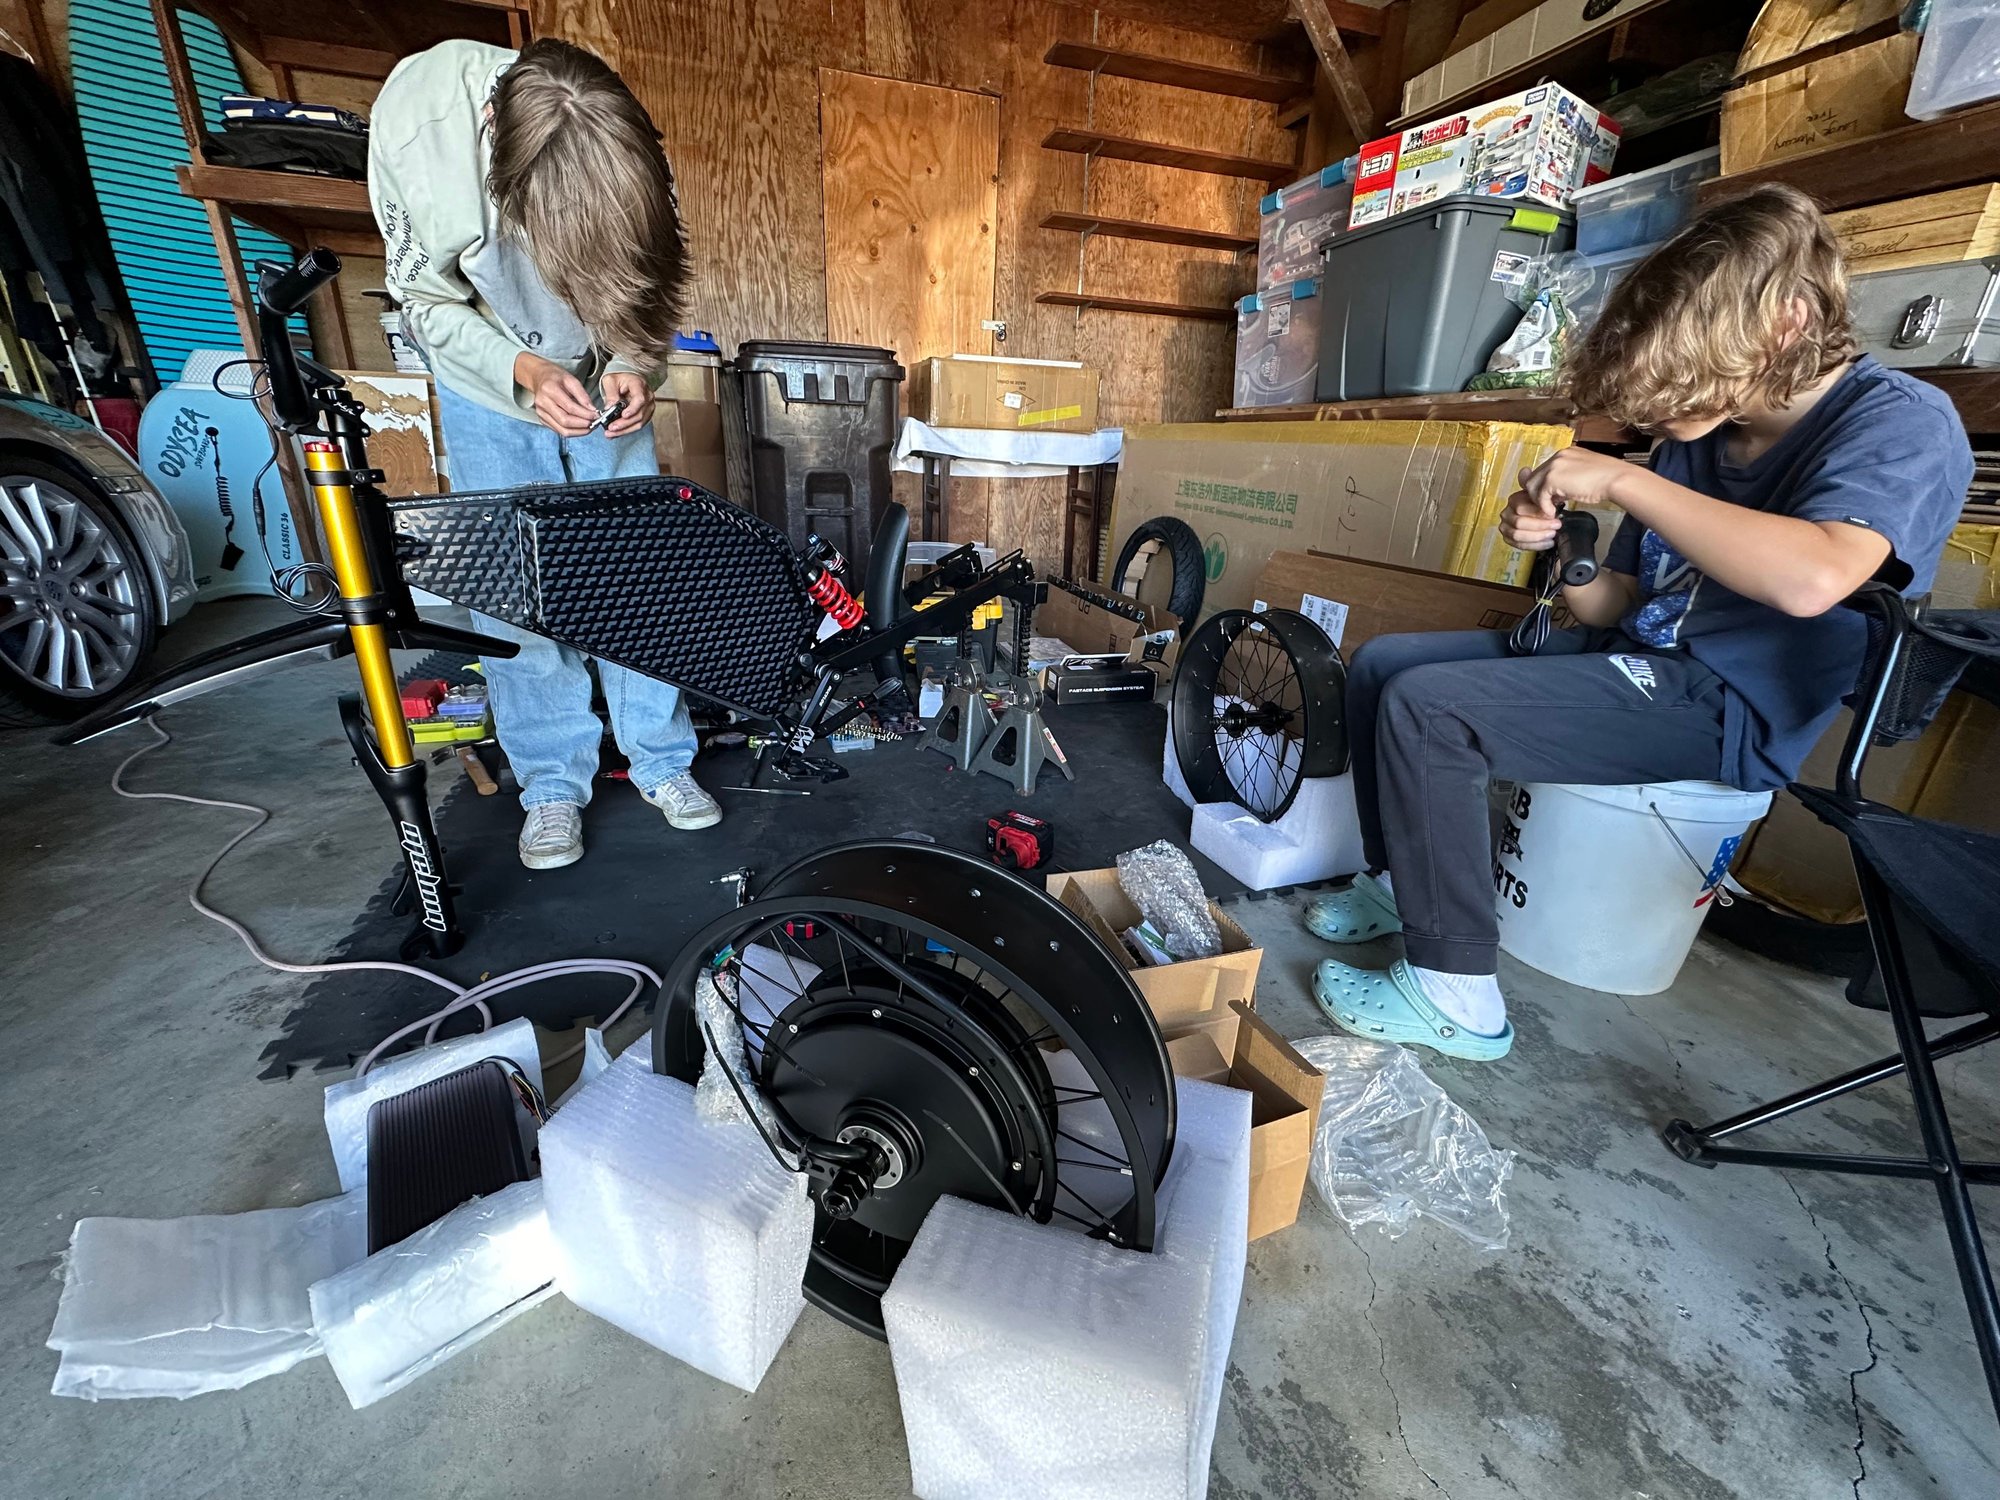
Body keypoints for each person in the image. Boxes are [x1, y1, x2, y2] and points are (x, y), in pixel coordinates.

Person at [1301, 184, 1972, 1060]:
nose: (1658, 417)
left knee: (1436, 710)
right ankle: (1403, 885)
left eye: (1679, 387)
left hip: (1730, 704)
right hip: (1638, 656)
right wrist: (1561, 544)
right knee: (1386, 665)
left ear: (1788, 321)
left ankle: (1454, 991)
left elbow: (1816, 578)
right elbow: (1613, 603)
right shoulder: (1701, 431)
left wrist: (1623, 481)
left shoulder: (1900, 425)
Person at [368, 37, 721, 871]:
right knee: (515, 590)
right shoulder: (420, 128)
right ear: (496, 136)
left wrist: (635, 363)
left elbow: (647, 289)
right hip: (487, 381)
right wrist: (518, 369)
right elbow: (421, 300)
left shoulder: (610, 132)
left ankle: (661, 762)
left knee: (633, 576)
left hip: (603, 382)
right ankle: (552, 783)